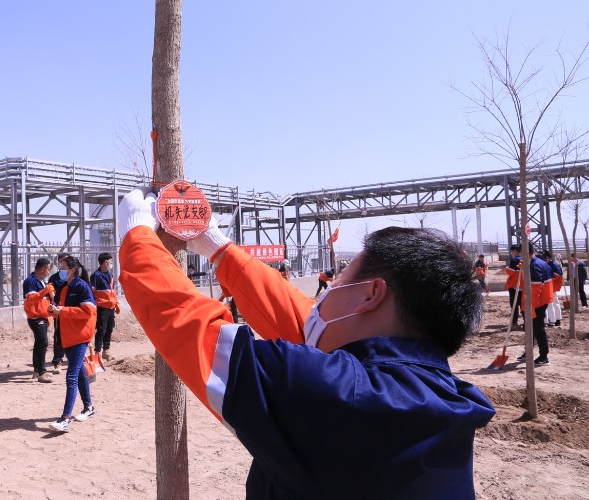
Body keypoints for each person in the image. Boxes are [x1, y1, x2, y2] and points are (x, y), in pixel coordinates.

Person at [116, 188, 495, 498]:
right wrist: (218, 248)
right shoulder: (438, 396)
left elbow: (193, 329)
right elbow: (309, 329)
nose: (324, 296)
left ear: (371, 294)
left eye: (340, 280)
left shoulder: (343, 399)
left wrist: (137, 236)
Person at [47, 256, 97, 433]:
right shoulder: (63, 287)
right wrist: (53, 310)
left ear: (72, 270)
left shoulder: (82, 287)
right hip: (67, 336)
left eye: (63, 267)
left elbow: (88, 311)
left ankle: (65, 419)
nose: (60, 270)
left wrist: (63, 310)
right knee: (80, 372)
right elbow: (59, 309)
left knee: (71, 376)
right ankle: (89, 408)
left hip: (80, 336)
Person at [516, 244, 553, 366]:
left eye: (521, 254)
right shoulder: (540, 262)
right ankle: (528, 352)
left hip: (536, 303)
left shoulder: (534, 266)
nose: (520, 257)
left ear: (525, 252)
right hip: (541, 300)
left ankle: (544, 356)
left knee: (538, 328)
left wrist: (531, 307)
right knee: (530, 328)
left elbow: (535, 289)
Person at [23, 258, 55, 382]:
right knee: (43, 342)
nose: (48, 272)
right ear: (42, 269)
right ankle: (42, 372)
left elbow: (43, 299)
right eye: (48, 269)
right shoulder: (30, 281)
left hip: (42, 316)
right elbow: (31, 299)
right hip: (35, 317)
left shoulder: (41, 281)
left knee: (39, 343)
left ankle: (37, 371)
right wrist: (44, 291)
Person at [90, 252, 121, 361]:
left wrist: (116, 303)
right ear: (105, 262)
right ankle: (97, 352)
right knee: (101, 330)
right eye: (110, 261)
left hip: (110, 306)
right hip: (102, 307)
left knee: (109, 329)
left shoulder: (110, 275)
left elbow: (112, 291)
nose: (112, 263)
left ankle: (106, 351)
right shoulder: (96, 275)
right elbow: (91, 292)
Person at [48, 252, 70, 370]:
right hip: (59, 313)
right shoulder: (54, 279)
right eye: (62, 261)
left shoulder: (75, 277)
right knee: (59, 336)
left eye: (67, 261)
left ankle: (74, 358)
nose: (64, 263)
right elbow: (51, 296)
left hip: (72, 312)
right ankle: (58, 360)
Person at [542, 250, 563, 327]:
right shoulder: (552, 264)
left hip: (552, 286)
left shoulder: (553, 265)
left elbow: (558, 275)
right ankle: (556, 319)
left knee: (553, 303)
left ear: (548, 258)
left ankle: (556, 319)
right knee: (554, 303)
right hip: (552, 286)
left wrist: (549, 279)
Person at [504, 244, 522, 326]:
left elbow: (511, 272)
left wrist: (506, 269)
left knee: (514, 305)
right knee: (523, 305)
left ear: (515, 251)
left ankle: (514, 322)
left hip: (514, 285)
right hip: (523, 285)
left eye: (512, 251)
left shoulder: (514, 260)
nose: (512, 253)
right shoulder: (524, 259)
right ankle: (526, 322)